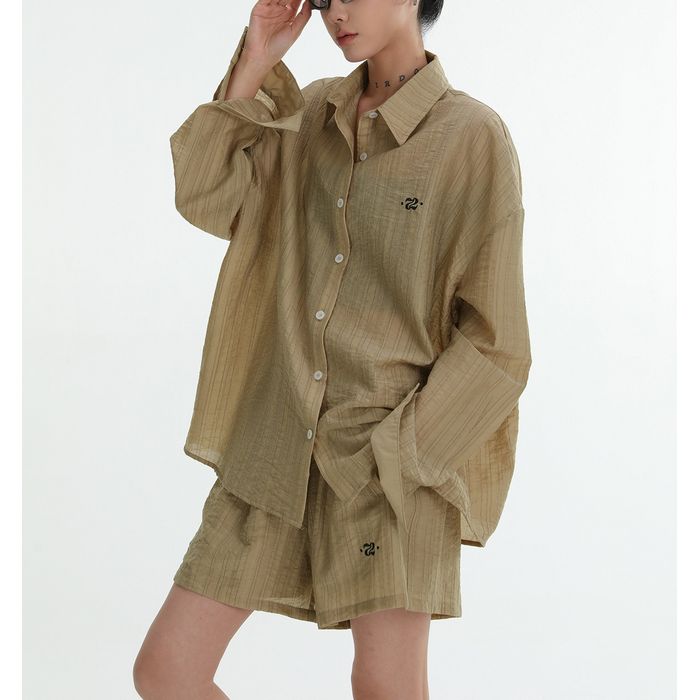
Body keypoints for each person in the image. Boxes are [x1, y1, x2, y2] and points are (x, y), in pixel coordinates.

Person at [133, 0, 531, 698]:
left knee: (385, 686)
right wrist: (256, 60)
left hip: (390, 464)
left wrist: (402, 456)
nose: (335, 12)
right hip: (275, 449)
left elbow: (497, 343)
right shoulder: (310, 116)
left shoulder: (471, 136)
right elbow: (208, 197)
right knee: (167, 671)